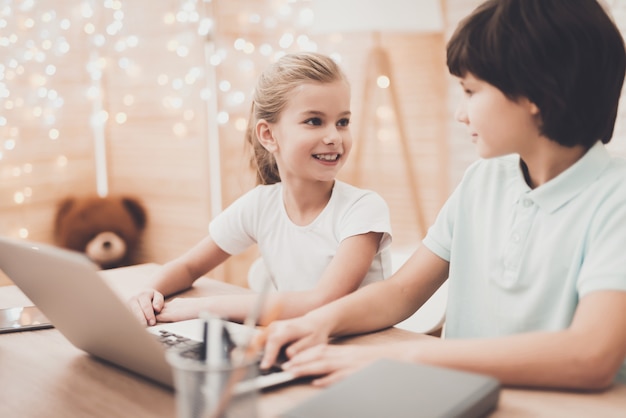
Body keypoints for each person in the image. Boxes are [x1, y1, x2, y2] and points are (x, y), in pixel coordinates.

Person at [260, 0, 626, 391]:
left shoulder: (614, 198)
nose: (461, 113)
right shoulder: (482, 180)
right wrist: (315, 323)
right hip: (458, 398)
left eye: (470, 91)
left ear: (537, 94)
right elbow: (401, 292)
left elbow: (591, 356)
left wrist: (402, 357)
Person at [128, 52, 392, 326]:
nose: (334, 137)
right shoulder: (260, 205)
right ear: (268, 135)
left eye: (343, 122)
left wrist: (202, 308)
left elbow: (322, 302)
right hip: (299, 343)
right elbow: (188, 266)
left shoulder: (363, 210)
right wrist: (149, 292)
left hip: (363, 350)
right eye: (314, 121)